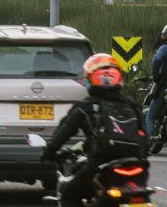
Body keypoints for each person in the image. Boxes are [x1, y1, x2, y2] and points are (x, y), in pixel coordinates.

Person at [44, 53, 149, 207]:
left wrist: (48, 153)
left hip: (101, 161)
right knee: (141, 193)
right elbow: (145, 137)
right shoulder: (132, 105)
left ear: (90, 79)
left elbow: (63, 133)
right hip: (138, 164)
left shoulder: (86, 106)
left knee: (69, 194)